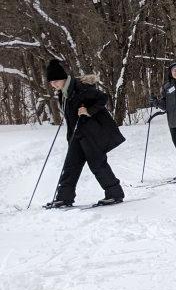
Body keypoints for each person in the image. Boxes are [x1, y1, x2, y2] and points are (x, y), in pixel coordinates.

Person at [42, 59, 127, 208]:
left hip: (91, 133)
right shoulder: (63, 92)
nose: (53, 84)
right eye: (51, 82)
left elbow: (103, 98)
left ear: (63, 78)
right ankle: (64, 198)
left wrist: (89, 111)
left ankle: (114, 194)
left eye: (56, 81)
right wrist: (70, 138)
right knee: (70, 165)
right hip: (77, 135)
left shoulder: (79, 87)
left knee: (97, 164)